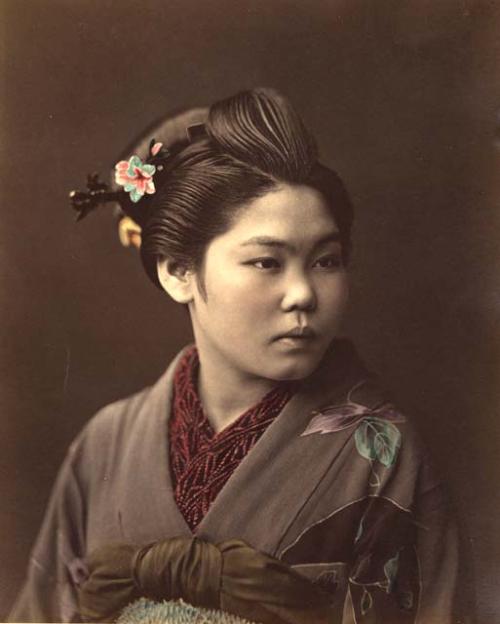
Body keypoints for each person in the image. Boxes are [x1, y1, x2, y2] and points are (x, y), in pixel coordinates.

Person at [9, 88, 472, 623]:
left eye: (326, 261)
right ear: (177, 271)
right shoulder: (104, 444)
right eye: (266, 263)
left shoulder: (384, 455)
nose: (302, 293)